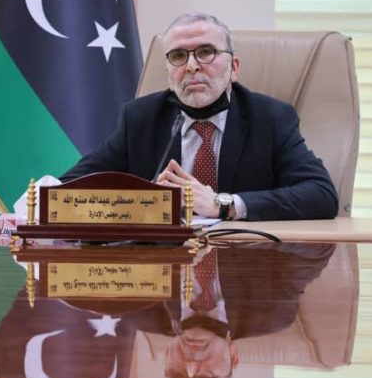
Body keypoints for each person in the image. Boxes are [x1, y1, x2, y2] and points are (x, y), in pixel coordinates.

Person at [61, 12, 338, 221]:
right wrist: (144, 202)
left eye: (206, 52)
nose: (192, 66)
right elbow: (71, 187)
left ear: (234, 68)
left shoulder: (271, 118)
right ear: (169, 72)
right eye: (179, 56)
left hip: (245, 270)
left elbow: (321, 195)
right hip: (163, 278)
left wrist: (223, 204)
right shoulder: (140, 118)